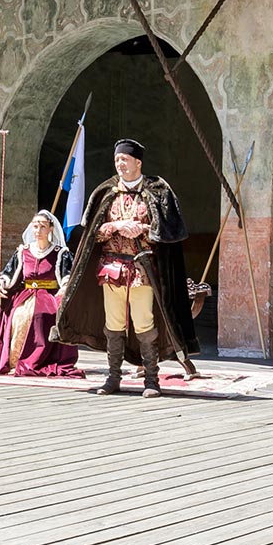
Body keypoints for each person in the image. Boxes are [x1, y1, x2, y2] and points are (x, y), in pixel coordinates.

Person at [54, 138, 198, 396]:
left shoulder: (157, 191)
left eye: (125, 159)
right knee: (114, 324)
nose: (120, 164)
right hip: (111, 269)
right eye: (117, 159)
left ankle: (151, 380)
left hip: (143, 270)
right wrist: (116, 227)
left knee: (144, 323)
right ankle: (113, 378)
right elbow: (92, 234)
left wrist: (142, 228)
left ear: (138, 162)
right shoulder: (106, 192)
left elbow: (170, 230)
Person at [0, 209, 82, 378]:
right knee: (17, 314)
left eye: (42, 226)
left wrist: (63, 290)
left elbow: (67, 277)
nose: (38, 230)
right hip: (25, 295)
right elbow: (8, 274)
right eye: (35, 226)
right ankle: (14, 359)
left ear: (50, 229)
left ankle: (39, 359)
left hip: (49, 296)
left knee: (42, 315)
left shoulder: (60, 253)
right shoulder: (23, 251)